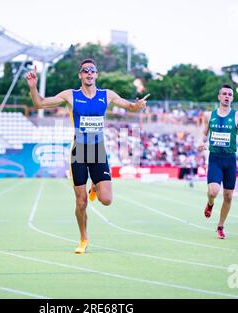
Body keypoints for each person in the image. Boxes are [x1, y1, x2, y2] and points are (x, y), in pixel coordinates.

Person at [26, 59, 149, 253]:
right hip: (79, 152)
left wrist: (138, 105)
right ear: (80, 75)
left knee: (106, 200)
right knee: (81, 202)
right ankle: (83, 238)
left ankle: (95, 186)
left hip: (98, 151)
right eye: (85, 71)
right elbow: (39, 103)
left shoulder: (106, 95)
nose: (89, 74)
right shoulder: (71, 95)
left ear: (97, 75)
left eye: (92, 71)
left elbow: (129, 107)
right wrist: (33, 87)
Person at [198, 84, 238, 239]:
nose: (227, 96)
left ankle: (220, 226)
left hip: (230, 160)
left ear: (232, 98)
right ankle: (210, 203)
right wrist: (201, 142)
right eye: (224, 94)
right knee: (213, 191)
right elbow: (204, 132)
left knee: (228, 196)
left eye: (230, 94)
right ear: (219, 97)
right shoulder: (209, 115)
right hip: (215, 159)